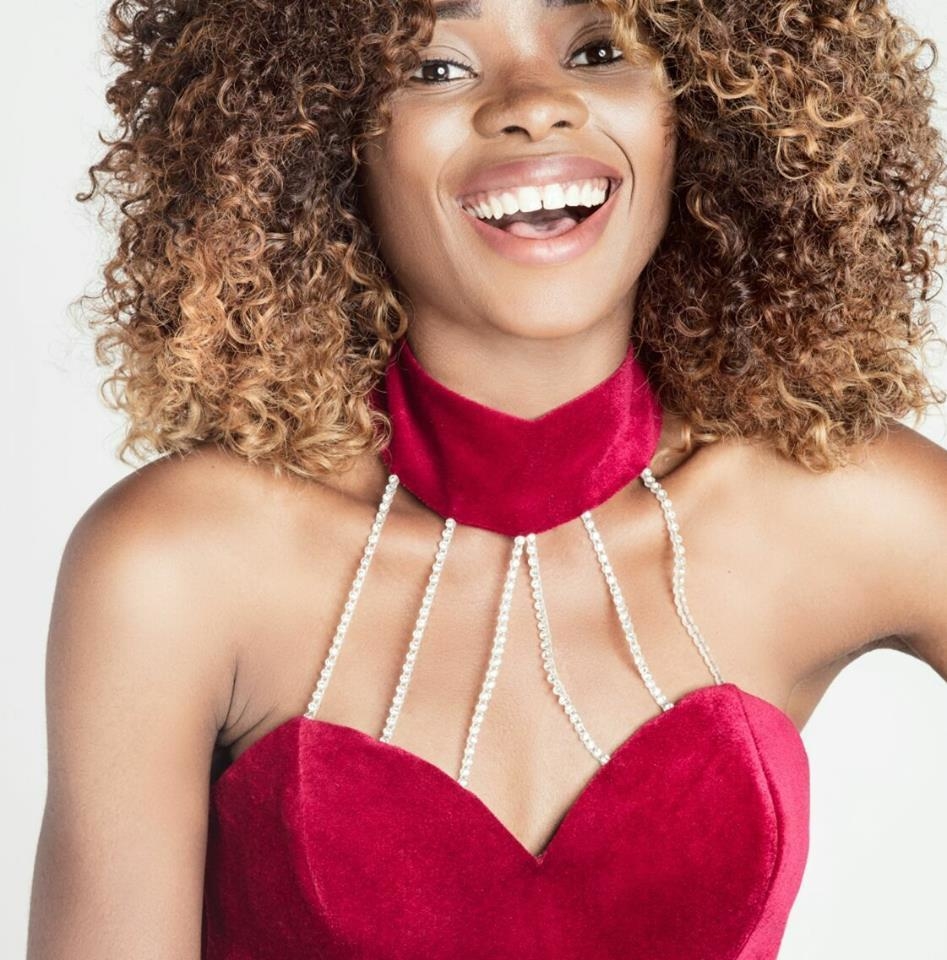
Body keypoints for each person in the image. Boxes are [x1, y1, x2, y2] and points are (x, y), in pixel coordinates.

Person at [27, 0, 947, 957]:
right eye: (434, 66)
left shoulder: (842, 507)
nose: (534, 103)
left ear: (702, 115)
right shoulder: (178, 564)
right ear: (320, 141)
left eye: (597, 48)